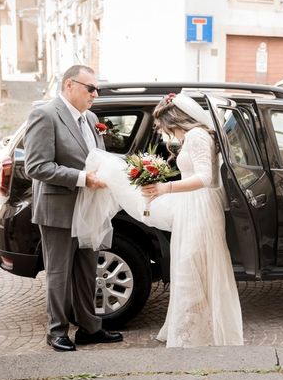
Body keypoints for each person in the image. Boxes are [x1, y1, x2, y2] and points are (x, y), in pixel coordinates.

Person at [72, 93, 244, 347]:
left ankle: (197, 334)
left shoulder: (197, 136)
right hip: (192, 206)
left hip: (200, 208)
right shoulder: (194, 136)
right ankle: (195, 328)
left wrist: (166, 188)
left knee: (192, 265)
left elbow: (206, 178)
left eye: (165, 127)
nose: (165, 132)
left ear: (174, 120)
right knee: (190, 266)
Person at [24, 64, 123, 352]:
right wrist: (82, 179)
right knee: (59, 273)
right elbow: (37, 166)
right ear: (69, 85)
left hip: (88, 208)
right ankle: (56, 331)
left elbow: (96, 157)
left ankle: (91, 328)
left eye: (97, 89)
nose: (95, 93)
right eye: (90, 88)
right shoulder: (44, 114)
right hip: (59, 209)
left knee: (87, 270)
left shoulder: (91, 118)